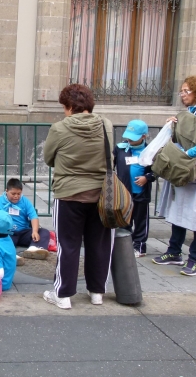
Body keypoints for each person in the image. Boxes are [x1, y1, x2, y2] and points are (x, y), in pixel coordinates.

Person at [42, 83, 115, 309]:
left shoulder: (60, 128)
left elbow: (48, 158)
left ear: (71, 106)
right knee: (99, 244)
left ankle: (63, 295)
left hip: (69, 195)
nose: (64, 112)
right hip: (102, 195)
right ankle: (96, 293)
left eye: (64, 107)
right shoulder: (106, 125)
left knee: (68, 245)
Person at [152, 76, 196, 276]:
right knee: (180, 208)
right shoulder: (192, 111)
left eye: (186, 91)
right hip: (186, 164)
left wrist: (192, 153)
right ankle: (174, 252)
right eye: (181, 91)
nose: (183, 95)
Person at [113, 119, 155, 258]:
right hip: (124, 193)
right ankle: (124, 244)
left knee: (141, 220)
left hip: (140, 194)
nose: (129, 140)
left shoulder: (150, 151)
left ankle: (140, 245)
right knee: (124, 220)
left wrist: (147, 178)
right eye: (128, 137)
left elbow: (156, 170)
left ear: (143, 136)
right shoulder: (120, 148)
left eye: (133, 138)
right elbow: (111, 164)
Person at [0, 178, 49, 260]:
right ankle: (12, 256)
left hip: (23, 232)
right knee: (2, 240)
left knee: (44, 232)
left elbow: (34, 216)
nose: (16, 196)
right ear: (6, 191)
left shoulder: (25, 201)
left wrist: (35, 231)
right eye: (13, 193)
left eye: (19, 194)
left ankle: (34, 249)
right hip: (8, 233)